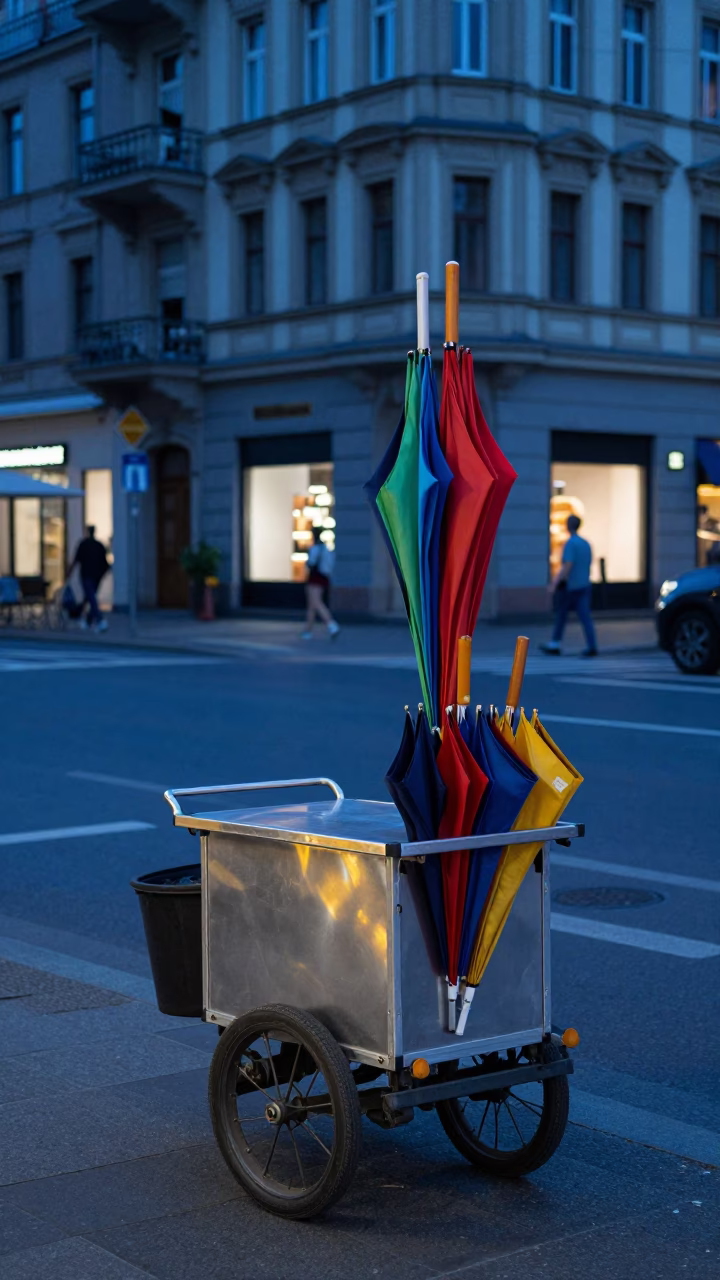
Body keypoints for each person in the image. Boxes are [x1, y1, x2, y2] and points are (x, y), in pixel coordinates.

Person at [540, 514, 597, 657]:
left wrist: (555, 583)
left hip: (570, 586)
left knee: (561, 615)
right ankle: (592, 645)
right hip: (584, 584)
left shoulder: (570, 543)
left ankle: (555, 643)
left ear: (568, 526)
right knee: (585, 617)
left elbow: (567, 565)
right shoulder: (586, 543)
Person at [302, 529, 340, 640]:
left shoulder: (315, 549)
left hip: (315, 578)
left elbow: (311, 563)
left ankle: (332, 625)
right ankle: (308, 631)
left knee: (316, 602)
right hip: (322, 578)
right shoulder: (326, 549)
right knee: (312, 605)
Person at [70, 525, 110, 633]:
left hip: (87, 575)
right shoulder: (99, 545)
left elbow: (76, 560)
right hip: (96, 576)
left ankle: (99, 619)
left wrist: (69, 572)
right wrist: (103, 574)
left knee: (90, 597)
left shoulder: (83, 544)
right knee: (90, 597)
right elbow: (105, 563)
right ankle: (88, 620)